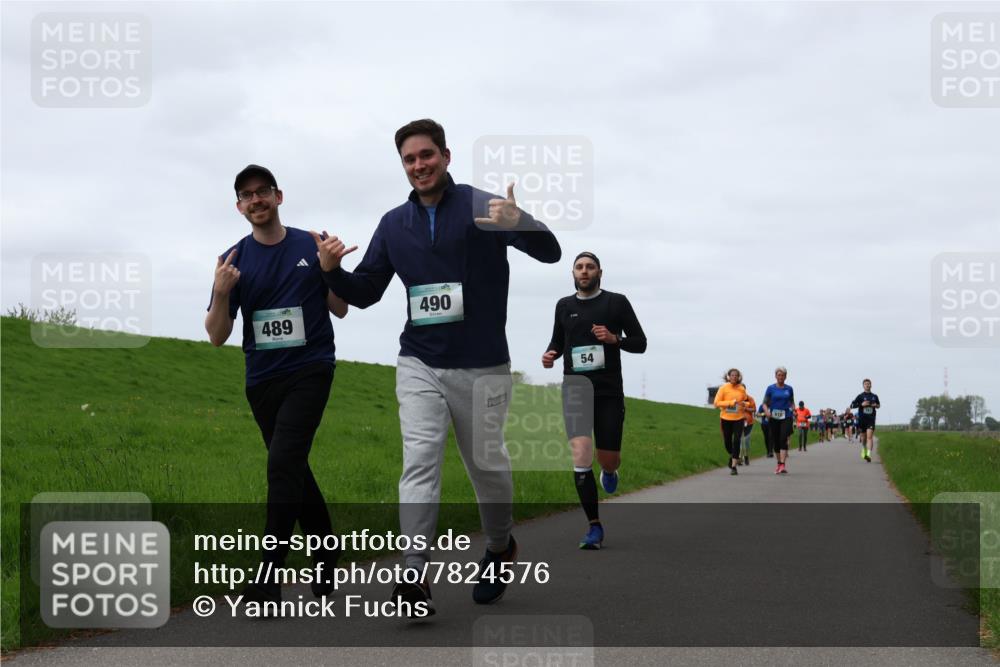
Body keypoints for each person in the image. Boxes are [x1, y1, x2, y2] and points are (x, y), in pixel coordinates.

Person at [315, 119, 561, 613]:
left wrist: (520, 222)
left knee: (487, 468)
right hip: (420, 361)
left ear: (446, 156)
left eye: (426, 155)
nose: (419, 165)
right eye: (409, 159)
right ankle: (413, 574)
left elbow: (551, 253)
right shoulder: (393, 224)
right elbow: (365, 292)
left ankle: (500, 547)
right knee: (420, 460)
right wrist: (332, 272)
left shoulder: (482, 207)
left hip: (483, 366)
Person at [205, 165, 349, 604]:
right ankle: (326, 550)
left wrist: (332, 269)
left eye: (262, 191)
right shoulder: (232, 260)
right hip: (262, 379)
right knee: (292, 467)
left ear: (278, 196)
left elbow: (340, 308)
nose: (256, 200)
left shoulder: (311, 243)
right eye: (246, 195)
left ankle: (269, 575)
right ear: (239, 207)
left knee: (282, 463)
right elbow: (216, 335)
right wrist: (222, 292)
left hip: (310, 368)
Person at [542, 252, 647, 549]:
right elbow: (558, 340)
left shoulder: (616, 302)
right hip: (575, 390)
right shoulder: (564, 305)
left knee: (607, 458)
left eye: (590, 267)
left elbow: (640, 343)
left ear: (600, 272)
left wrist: (616, 339)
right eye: (579, 267)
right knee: (580, 455)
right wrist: (550, 354)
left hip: (608, 392)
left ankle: (610, 470)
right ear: (573, 273)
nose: (584, 271)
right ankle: (594, 527)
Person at [714, 369, 749, 475]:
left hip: (739, 418)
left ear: (739, 377)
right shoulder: (723, 388)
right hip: (726, 418)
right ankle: (732, 455)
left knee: (737, 440)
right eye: (732, 375)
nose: (734, 377)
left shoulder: (741, 388)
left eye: (736, 375)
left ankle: (734, 467)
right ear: (728, 377)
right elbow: (716, 403)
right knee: (727, 441)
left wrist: (744, 404)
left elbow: (746, 401)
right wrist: (730, 403)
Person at [762, 367, 795, 474]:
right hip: (774, 417)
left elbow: (792, 402)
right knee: (776, 441)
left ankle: (783, 464)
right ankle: (779, 463)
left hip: (786, 416)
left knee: (783, 438)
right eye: (779, 375)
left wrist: (794, 410)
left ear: (785, 376)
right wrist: (766, 411)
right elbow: (765, 403)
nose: (781, 377)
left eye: (783, 375)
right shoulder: (770, 388)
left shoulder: (789, 389)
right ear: (775, 376)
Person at [850, 379, 881, 462]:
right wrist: (861, 404)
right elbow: (852, 405)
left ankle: (868, 455)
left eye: (869, 384)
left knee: (869, 437)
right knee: (863, 439)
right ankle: (864, 449)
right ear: (863, 386)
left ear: (871, 385)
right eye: (866, 384)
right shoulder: (860, 396)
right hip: (862, 420)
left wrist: (875, 405)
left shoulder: (874, 396)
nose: (867, 385)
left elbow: (879, 405)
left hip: (871, 419)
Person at [739, 390, 756, 466]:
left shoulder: (750, 399)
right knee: (739, 440)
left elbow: (754, 409)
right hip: (738, 421)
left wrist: (746, 409)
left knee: (746, 440)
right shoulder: (736, 398)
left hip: (749, 423)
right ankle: (739, 457)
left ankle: (746, 456)